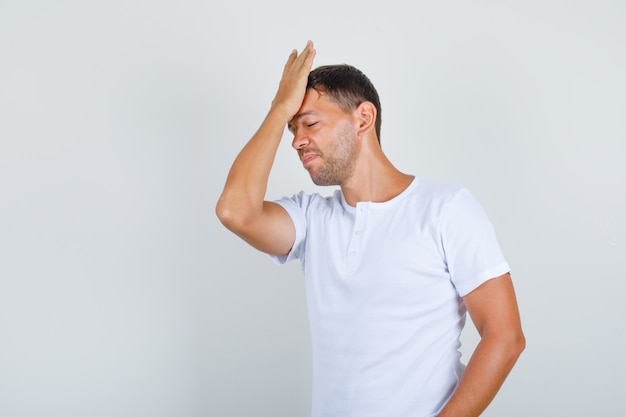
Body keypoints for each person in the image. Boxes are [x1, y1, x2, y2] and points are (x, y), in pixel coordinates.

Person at [216, 40, 525, 417]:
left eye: (310, 122)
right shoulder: (311, 219)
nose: (297, 141)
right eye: (291, 128)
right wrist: (280, 106)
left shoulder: (446, 208)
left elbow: (505, 337)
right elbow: (235, 211)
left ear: (363, 118)